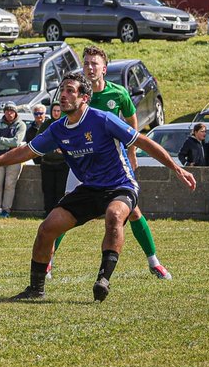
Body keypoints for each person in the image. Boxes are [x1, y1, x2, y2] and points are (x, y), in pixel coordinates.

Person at [0, 71, 196, 303]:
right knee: (46, 229)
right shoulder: (58, 128)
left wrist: (177, 169)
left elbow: (143, 141)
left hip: (120, 185)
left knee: (115, 215)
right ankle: (35, 289)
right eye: (62, 91)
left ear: (84, 97)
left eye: (70, 91)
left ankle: (103, 280)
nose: (63, 96)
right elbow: (27, 151)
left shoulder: (103, 119)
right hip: (89, 188)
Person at [57, 46, 172, 281]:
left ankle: (154, 262)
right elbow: (63, 123)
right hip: (82, 162)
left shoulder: (118, 93)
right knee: (64, 210)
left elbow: (131, 121)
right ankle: (47, 262)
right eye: (86, 63)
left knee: (134, 211)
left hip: (112, 164)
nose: (89, 68)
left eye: (94, 64)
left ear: (104, 69)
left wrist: (132, 152)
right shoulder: (75, 93)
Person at [0, 103, 27, 217]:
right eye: (7, 111)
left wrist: (1, 140)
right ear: (4, 112)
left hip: (15, 158)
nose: (9, 113)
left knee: (10, 184)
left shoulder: (21, 125)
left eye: (12, 111)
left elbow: (16, 142)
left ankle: (6, 210)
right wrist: (7, 147)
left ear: (15, 113)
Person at [35, 103, 69, 217]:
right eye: (54, 110)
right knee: (47, 189)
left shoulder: (66, 124)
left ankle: (58, 213)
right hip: (47, 163)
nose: (56, 113)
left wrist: (63, 149)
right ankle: (48, 212)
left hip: (62, 163)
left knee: (60, 190)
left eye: (58, 111)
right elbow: (38, 141)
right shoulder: (46, 125)